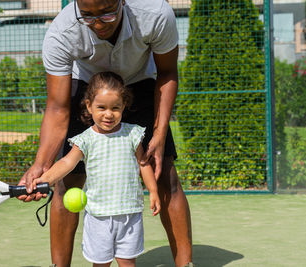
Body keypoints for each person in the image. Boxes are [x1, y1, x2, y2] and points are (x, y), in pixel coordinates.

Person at [18, 0, 193, 266]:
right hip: (87, 84)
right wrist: (41, 165)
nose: (98, 23)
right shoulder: (62, 32)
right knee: (67, 182)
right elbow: (57, 108)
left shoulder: (155, 14)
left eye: (107, 13)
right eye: (87, 16)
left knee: (164, 174)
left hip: (141, 82)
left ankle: (185, 264)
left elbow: (168, 72)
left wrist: (158, 132)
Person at [32, 71, 161, 267]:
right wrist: (45, 179)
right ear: (89, 106)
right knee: (101, 263)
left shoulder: (132, 133)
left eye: (115, 108)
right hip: (98, 217)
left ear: (124, 106)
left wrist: (153, 191)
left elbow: (143, 163)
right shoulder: (85, 139)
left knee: (128, 263)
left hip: (130, 214)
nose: (109, 114)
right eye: (101, 107)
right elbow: (67, 162)